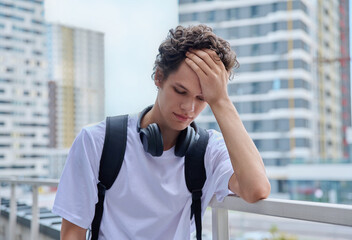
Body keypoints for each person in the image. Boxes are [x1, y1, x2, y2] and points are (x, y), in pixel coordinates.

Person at [53, 24, 271, 239]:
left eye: (202, 98)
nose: (189, 108)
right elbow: (73, 232)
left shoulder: (209, 151)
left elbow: (256, 189)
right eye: (180, 91)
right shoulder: (97, 141)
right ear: (159, 77)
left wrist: (221, 101)